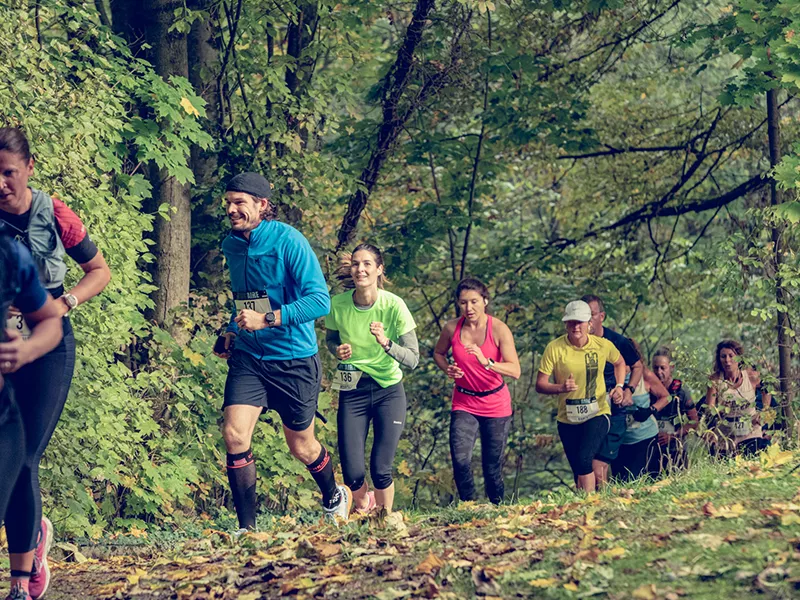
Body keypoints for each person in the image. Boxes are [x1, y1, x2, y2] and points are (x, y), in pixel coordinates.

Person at [0, 128, 111, 600]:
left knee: (23, 457)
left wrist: (65, 302)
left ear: (28, 168)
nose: (1, 183)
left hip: (49, 339)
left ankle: (21, 584)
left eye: (8, 172)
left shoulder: (53, 212)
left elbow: (99, 270)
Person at [213, 172, 349, 530]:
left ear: (262, 205)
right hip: (250, 357)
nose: (231, 209)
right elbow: (244, 299)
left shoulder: (290, 241)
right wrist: (231, 330)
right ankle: (247, 530)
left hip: (293, 359)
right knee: (234, 434)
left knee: (302, 446)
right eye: (228, 202)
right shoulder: (232, 245)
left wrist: (268, 319)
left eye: (239, 202)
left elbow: (320, 301)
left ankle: (334, 494)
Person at [326, 244, 419, 514]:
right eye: (355, 264)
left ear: (379, 270)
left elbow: (413, 358)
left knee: (381, 469)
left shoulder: (393, 305)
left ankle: (385, 520)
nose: (360, 269)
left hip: (387, 390)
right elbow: (331, 340)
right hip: (352, 389)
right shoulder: (338, 305)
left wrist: (386, 342)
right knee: (353, 472)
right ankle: (364, 505)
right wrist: (337, 350)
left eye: (367, 264)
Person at [1, 231, 64, 600]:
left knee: (23, 464)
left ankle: (20, 585)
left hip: (7, 406)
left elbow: (50, 320)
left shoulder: (10, 253)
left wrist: (25, 353)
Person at [433, 279, 520, 505]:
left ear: (485, 301)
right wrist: (448, 369)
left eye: (474, 302)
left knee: (492, 467)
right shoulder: (452, 328)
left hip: (496, 404)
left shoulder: (499, 329)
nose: (469, 308)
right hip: (464, 402)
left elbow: (515, 370)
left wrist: (487, 362)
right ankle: (469, 508)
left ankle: (498, 509)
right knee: (460, 460)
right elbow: (438, 354)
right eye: (463, 303)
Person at [536, 300, 626, 492]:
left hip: (598, 412)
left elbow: (620, 363)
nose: (576, 326)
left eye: (581, 322)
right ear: (565, 324)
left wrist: (619, 386)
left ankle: (589, 504)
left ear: (589, 323)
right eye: (571, 322)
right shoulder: (554, 348)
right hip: (567, 418)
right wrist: (561, 388)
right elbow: (540, 384)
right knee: (579, 468)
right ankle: (589, 506)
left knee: (586, 460)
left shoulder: (602, 345)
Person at [581, 295, 644, 486]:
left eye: (591, 315)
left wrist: (628, 390)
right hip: (587, 408)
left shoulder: (617, 341)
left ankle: (602, 503)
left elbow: (638, 366)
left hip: (613, 406)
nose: (588, 320)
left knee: (597, 465)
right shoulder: (576, 343)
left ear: (602, 316)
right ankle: (590, 503)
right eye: (584, 316)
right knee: (584, 466)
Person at [612, 342, 670, 481]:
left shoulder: (644, 375)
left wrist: (650, 410)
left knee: (643, 481)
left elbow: (666, 397)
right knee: (621, 483)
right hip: (619, 440)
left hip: (645, 438)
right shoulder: (609, 375)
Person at [705, 340, 771, 456]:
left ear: (739, 357)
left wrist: (764, 411)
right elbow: (709, 409)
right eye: (723, 356)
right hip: (726, 436)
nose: (727, 361)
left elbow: (767, 388)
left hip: (750, 432)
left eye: (731, 356)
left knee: (751, 465)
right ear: (719, 359)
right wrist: (718, 410)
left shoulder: (751, 375)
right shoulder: (715, 380)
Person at [651, 347, 699, 470]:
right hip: (651, 450)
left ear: (671, 368)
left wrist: (673, 435)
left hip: (676, 450)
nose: (659, 372)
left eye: (663, 368)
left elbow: (694, 422)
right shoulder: (648, 390)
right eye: (655, 368)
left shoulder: (681, 391)